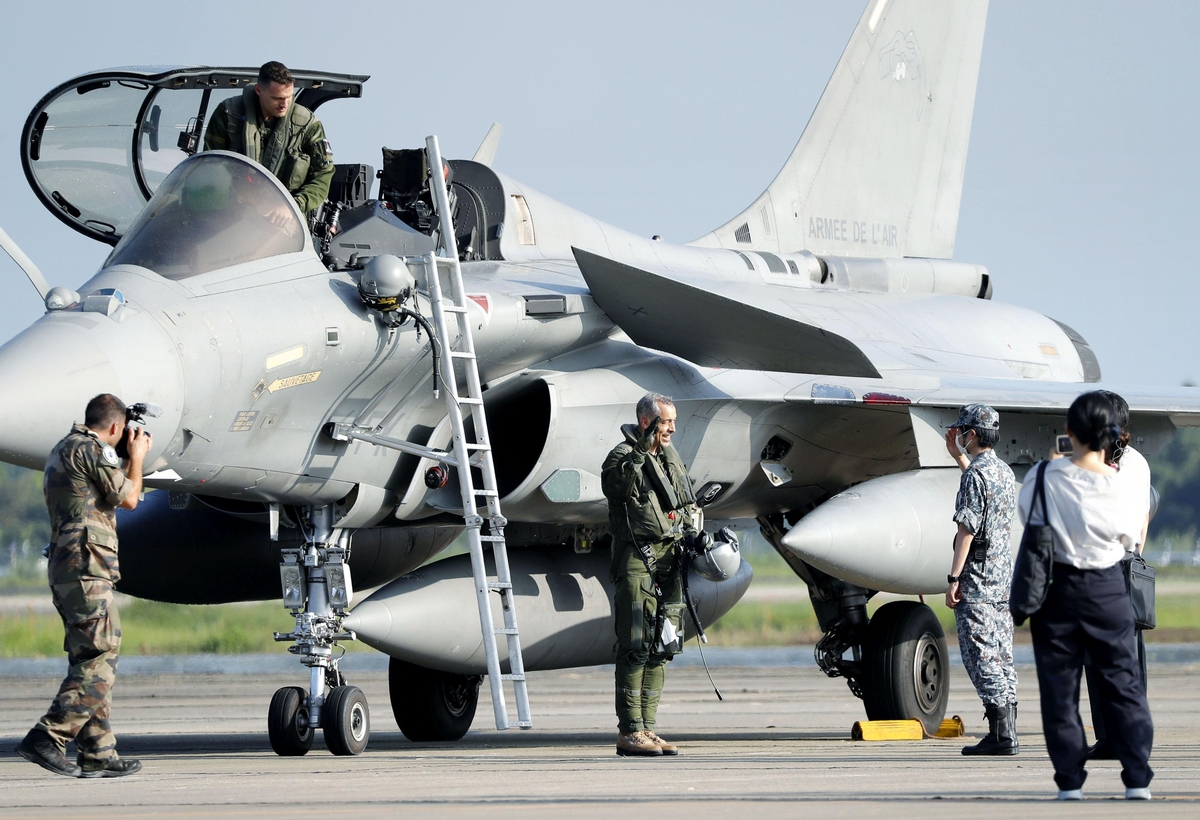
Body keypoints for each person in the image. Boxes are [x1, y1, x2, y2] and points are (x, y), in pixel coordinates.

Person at [1019, 391, 1154, 800]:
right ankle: (1136, 781)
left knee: (1060, 692)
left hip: (1059, 589)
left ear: (1068, 432)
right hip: (1109, 589)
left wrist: (1056, 466)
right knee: (1124, 686)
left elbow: (1029, 517)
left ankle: (1070, 784)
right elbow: (1133, 534)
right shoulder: (1123, 481)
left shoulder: (1042, 476)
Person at [16, 395, 152, 778]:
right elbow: (129, 498)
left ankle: (97, 751)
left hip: (69, 566)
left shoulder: (66, 448)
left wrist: (123, 457)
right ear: (114, 428)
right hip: (86, 567)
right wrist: (137, 455)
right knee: (102, 652)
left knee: (90, 656)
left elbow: (104, 493)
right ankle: (49, 736)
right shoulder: (92, 449)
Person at [601, 393, 698, 757]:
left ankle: (648, 728)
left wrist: (693, 532)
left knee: (663, 646)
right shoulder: (622, 457)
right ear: (647, 422)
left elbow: (685, 503)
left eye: (673, 421)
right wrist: (640, 452)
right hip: (637, 558)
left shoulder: (669, 458)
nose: (672, 428)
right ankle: (629, 731)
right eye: (666, 421)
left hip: (670, 559)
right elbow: (615, 488)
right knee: (635, 644)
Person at [943, 403, 1019, 755]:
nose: (958, 435)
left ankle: (1001, 734)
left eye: (962, 431)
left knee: (980, 654)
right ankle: (1009, 730)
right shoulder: (1002, 471)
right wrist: (958, 458)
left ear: (971, 434)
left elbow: (967, 531)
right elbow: (980, 488)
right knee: (1001, 653)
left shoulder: (976, 475)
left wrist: (954, 577)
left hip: (977, 578)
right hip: (1002, 579)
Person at [1085, 390, 1153, 760]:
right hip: (1130, 563)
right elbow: (1143, 514)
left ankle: (1112, 738)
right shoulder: (1140, 462)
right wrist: (1138, 555)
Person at [203, 61, 334, 220]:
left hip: (284, 223)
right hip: (232, 215)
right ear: (259, 90)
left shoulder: (307, 125)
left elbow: (323, 176)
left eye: (289, 97)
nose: (284, 104)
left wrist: (293, 205)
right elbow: (209, 166)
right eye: (277, 98)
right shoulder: (228, 115)